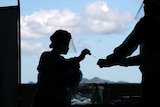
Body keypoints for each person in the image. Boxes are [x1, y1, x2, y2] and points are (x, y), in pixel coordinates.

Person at [97, 0, 160, 106]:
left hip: (152, 82)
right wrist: (118, 61)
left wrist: (110, 61)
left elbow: (127, 48)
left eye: (146, 5)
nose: (144, 8)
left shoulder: (147, 24)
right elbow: (147, 58)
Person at [31, 29, 91, 107]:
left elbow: (72, 81)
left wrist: (76, 70)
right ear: (59, 44)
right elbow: (58, 66)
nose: (68, 47)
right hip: (46, 102)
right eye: (66, 44)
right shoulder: (46, 57)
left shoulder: (62, 60)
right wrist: (78, 59)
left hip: (62, 101)